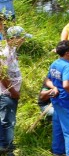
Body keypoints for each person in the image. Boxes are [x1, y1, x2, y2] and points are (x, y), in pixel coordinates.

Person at [45, 40, 69, 156]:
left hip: (57, 101)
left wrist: (55, 87)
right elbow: (66, 85)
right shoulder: (67, 67)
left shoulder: (55, 63)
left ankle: (58, 151)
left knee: (59, 127)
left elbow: (47, 80)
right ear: (67, 53)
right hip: (67, 102)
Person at [0, 26, 31, 155]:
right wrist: (13, 92)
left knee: (7, 120)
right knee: (7, 121)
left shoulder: (12, 50)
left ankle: (6, 144)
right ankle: (6, 148)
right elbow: (2, 75)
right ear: (13, 38)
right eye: (21, 38)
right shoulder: (4, 53)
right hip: (7, 94)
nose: (23, 40)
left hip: (10, 93)